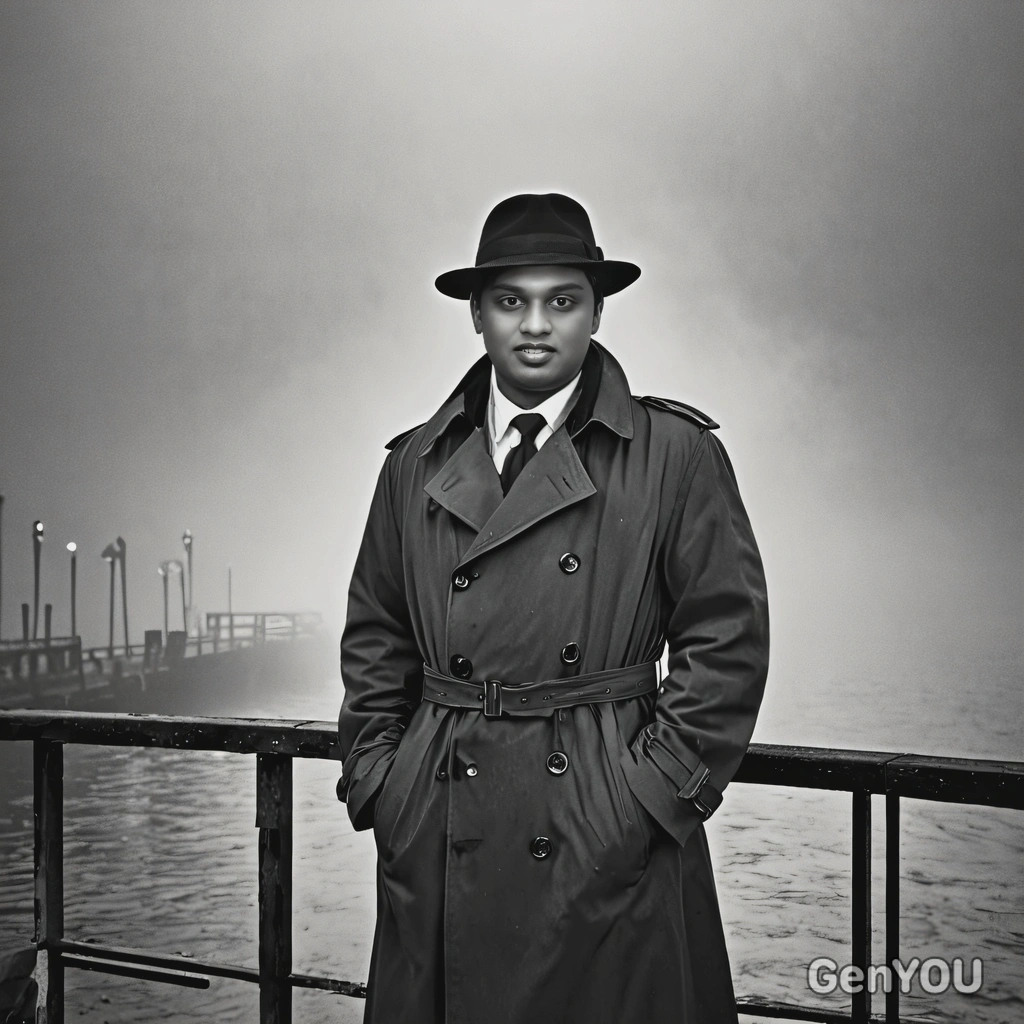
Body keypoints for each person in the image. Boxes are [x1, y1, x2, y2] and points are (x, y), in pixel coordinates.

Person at [337, 192, 769, 1023]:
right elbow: (377, 634)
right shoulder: (413, 463)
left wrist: (643, 802)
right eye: (511, 301)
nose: (536, 325)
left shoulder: (675, 454)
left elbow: (728, 639)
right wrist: (382, 783)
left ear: (597, 312)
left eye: (562, 301)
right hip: (443, 812)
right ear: (476, 315)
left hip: (602, 820)